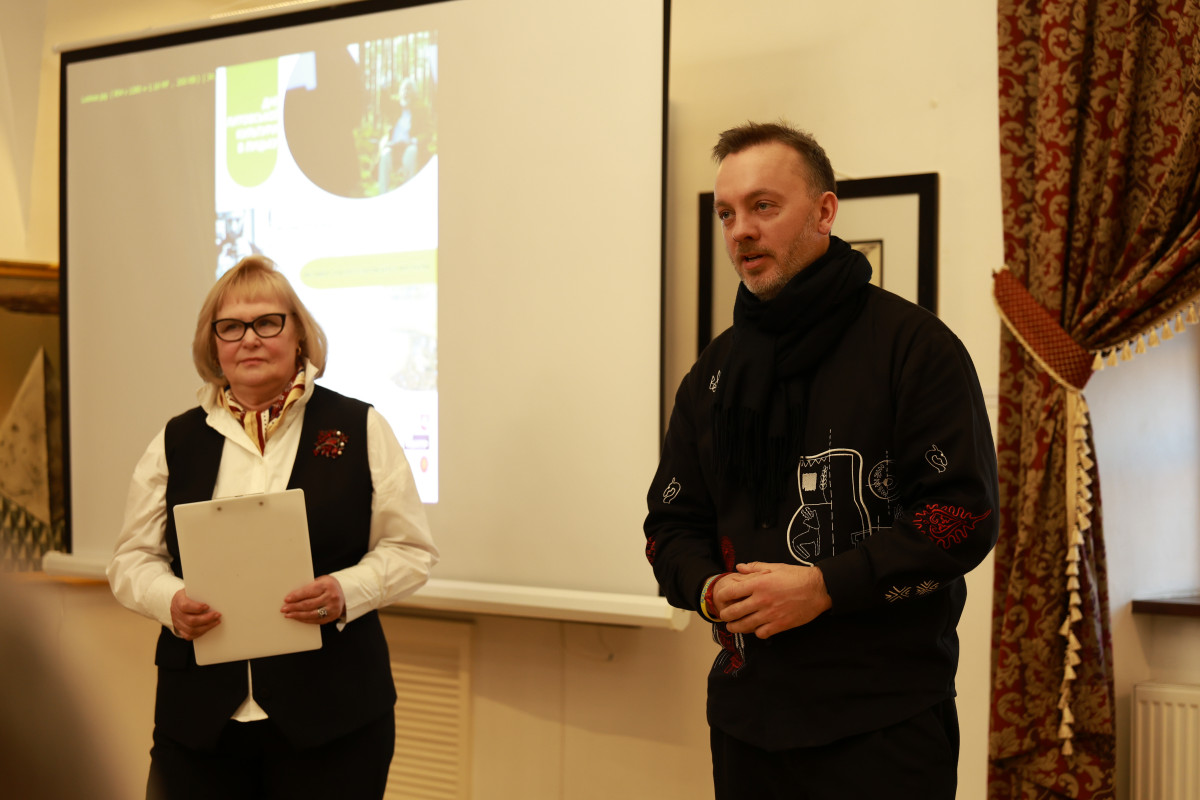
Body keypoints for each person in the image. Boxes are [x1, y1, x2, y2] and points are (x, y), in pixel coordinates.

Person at [644, 121, 998, 799]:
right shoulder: (713, 373)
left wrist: (826, 585)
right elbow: (670, 527)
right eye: (727, 214)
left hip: (884, 723)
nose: (741, 231)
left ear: (825, 211)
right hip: (747, 722)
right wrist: (709, 590)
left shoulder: (915, 348)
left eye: (764, 206)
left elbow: (962, 518)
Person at [108, 254, 438, 799]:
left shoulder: (360, 426)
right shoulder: (175, 440)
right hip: (200, 725)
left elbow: (410, 550)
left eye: (267, 322)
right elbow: (131, 560)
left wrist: (345, 591)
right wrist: (170, 601)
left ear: (299, 335)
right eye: (231, 327)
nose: (249, 340)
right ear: (213, 343)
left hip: (334, 721)